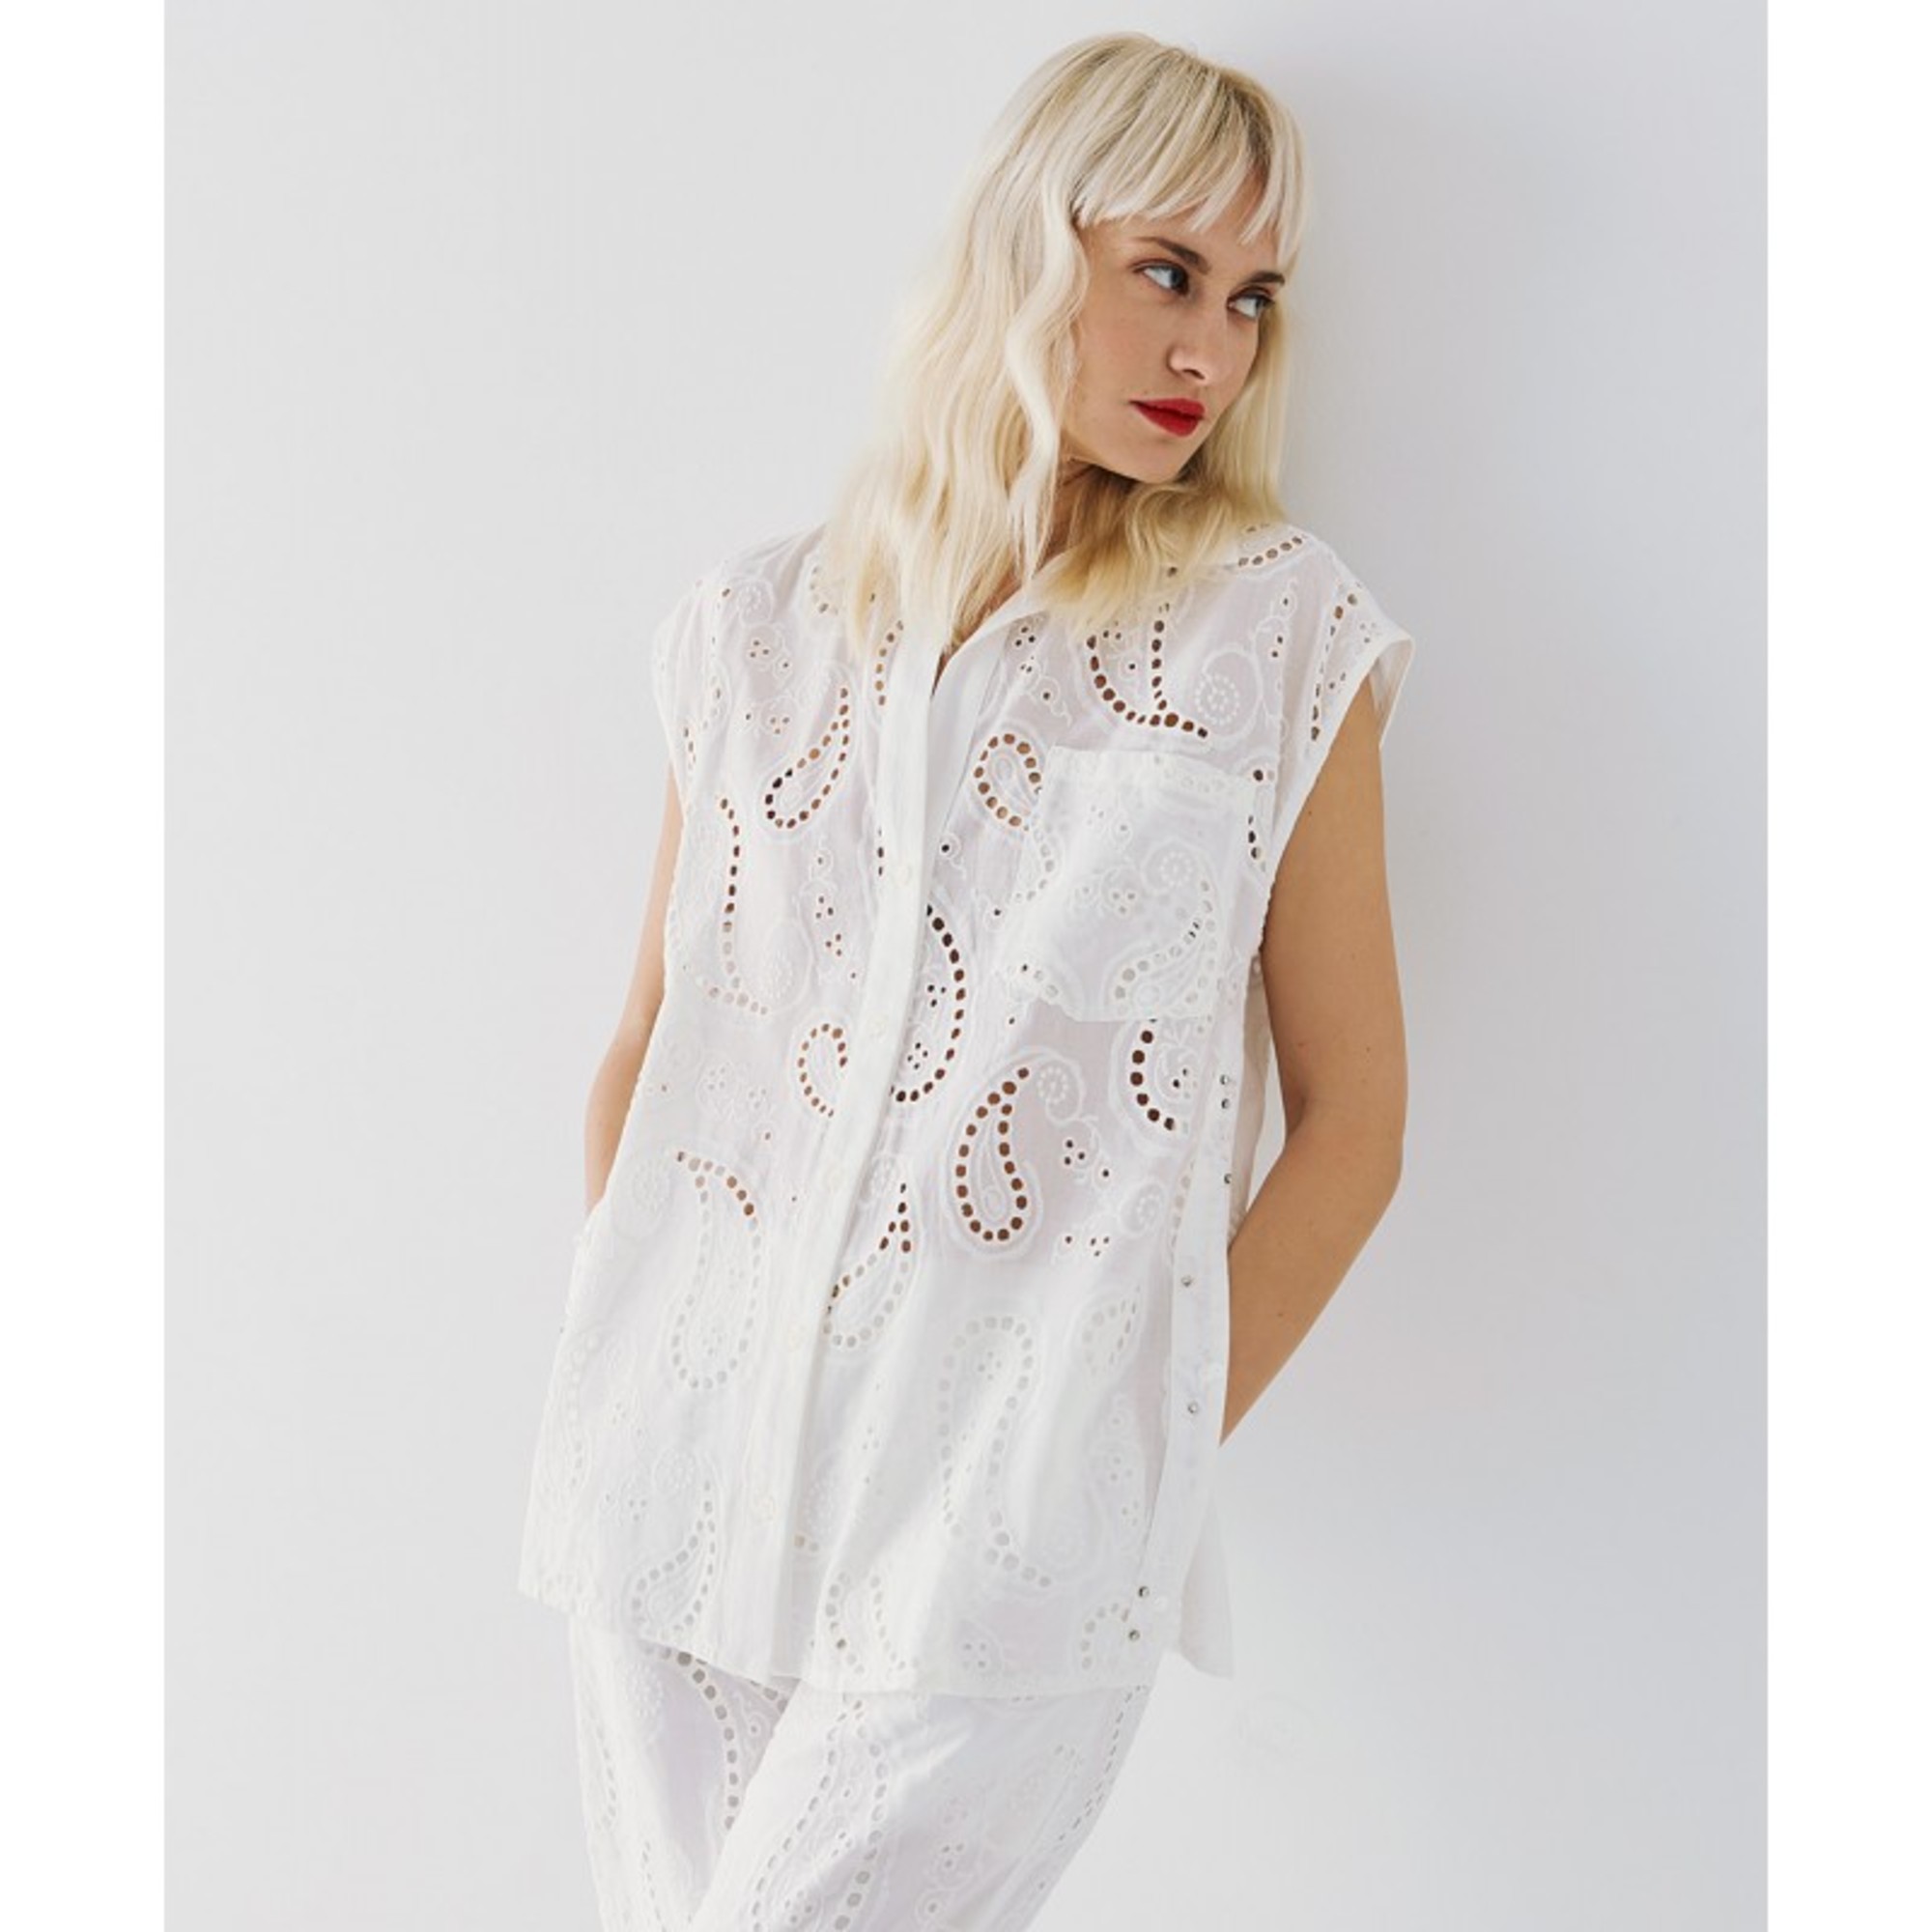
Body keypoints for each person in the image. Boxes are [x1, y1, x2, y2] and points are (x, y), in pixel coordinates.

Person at [517, 29, 1418, 1930]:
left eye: (1252, 298)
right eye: (1165, 271)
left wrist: (1118, 1450)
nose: (1210, 348)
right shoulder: (753, 627)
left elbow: (1354, 1123)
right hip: (677, 1484)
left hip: (998, 1540)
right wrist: (647, 1338)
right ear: (1029, 241)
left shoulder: (1275, 639)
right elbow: (652, 1038)